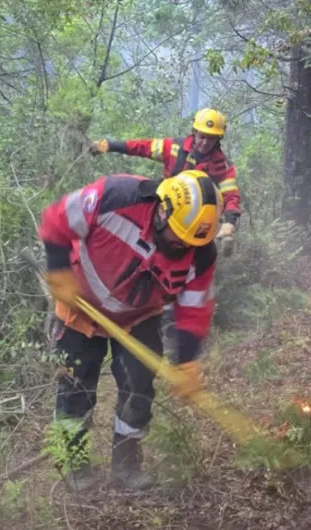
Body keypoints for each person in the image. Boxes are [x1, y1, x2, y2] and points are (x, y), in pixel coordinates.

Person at [39, 170, 221, 492]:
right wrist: (58, 269)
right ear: (163, 211)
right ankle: (77, 467)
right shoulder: (115, 198)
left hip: (138, 316)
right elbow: (56, 219)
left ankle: (126, 466)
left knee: (139, 390)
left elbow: (192, 309)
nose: (182, 247)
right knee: (74, 393)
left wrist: (187, 361)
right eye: (178, 237)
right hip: (79, 309)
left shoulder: (201, 252)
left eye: (191, 241)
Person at [89, 108, 241, 257]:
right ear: (194, 132)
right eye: (202, 136)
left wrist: (229, 223)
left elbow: (231, 197)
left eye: (211, 138)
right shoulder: (174, 147)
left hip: (194, 224)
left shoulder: (223, 167)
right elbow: (142, 147)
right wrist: (109, 146)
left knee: (205, 256)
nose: (205, 143)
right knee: (132, 193)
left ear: (218, 139)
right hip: (163, 208)